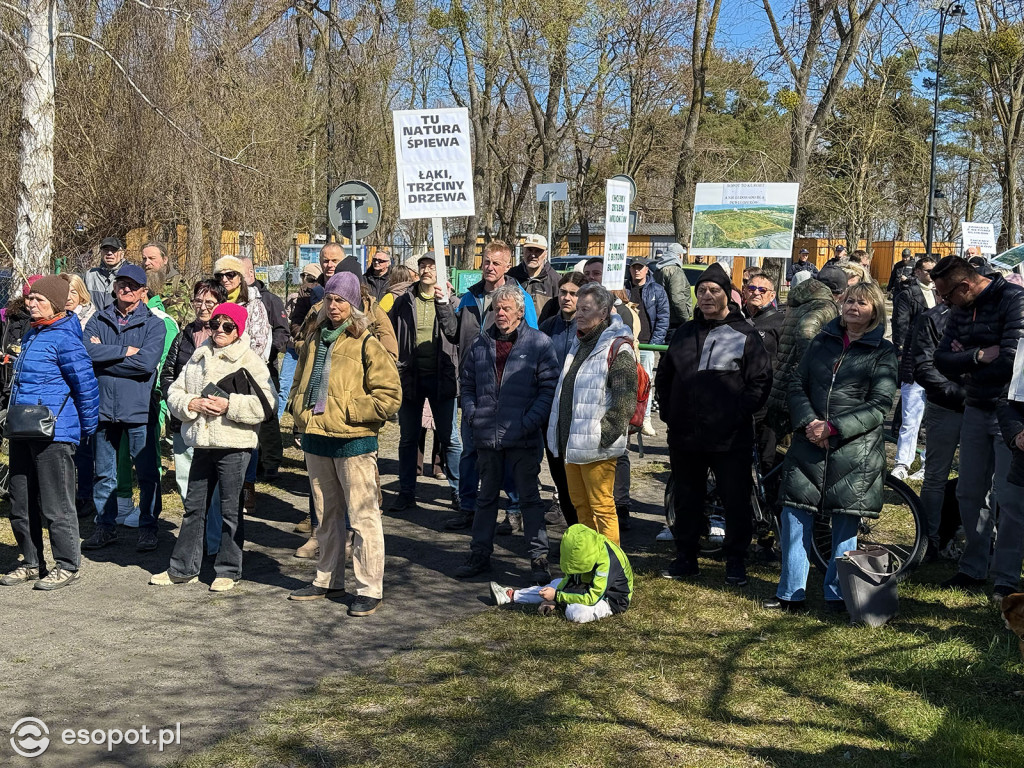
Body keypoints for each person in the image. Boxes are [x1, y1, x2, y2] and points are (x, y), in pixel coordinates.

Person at [767, 282, 897, 613]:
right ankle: (790, 592)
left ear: (874, 311)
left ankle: (837, 593)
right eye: (850, 300)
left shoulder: (882, 352)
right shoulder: (821, 342)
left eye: (862, 303)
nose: (853, 306)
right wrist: (811, 422)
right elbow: (798, 383)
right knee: (795, 516)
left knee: (844, 523)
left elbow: (879, 404)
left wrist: (834, 428)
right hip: (809, 442)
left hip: (854, 451)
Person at [286, 272, 401, 615]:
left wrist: (350, 412)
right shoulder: (313, 339)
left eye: (341, 301)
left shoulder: (367, 342)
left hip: (354, 441)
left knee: (364, 517)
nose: (334, 306)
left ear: (354, 306)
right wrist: (298, 410)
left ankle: (369, 588)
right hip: (317, 438)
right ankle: (327, 580)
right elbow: (297, 383)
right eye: (330, 300)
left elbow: (390, 396)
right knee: (326, 516)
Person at [656, 262, 771, 586]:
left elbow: (760, 381)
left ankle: (735, 560)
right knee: (687, 499)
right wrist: (670, 413)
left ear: (727, 296)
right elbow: (665, 377)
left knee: (735, 500)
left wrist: (737, 413)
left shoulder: (744, 333)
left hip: (729, 438)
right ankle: (686, 557)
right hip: (686, 437)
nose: (706, 296)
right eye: (702, 290)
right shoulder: (684, 333)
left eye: (714, 291)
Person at [153, 303, 275, 592]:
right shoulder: (199, 354)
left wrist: (229, 405)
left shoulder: (250, 360)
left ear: (239, 330)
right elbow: (175, 391)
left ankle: (228, 569)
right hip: (202, 442)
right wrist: (189, 404)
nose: (219, 330)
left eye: (227, 326)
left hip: (234, 444)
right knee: (194, 508)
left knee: (231, 509)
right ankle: (183, 568)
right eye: (215, 324)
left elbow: (268, 405)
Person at [933, 255, 1024, 600]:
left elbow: (1012, 360)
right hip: (974, 406)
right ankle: (973, 567)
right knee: (968, 492)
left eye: (946, 295)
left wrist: (967, 358)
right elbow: (941, 359)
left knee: (1010, 498)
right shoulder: (959, 309)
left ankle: (1006, 578)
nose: (944, 303)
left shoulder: (1014, 300)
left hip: (1009, 411)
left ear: (965, 286)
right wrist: (974, 356)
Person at [453, 284, 559, 582]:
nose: (500, 313)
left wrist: (529, 422)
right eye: (497, 309)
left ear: (520, 311)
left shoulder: (539, 344)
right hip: (487, 436)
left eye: (507, 308)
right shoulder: (479, 344)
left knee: (529, 499)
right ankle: (479, 554)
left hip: (523, 437)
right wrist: (473, 416)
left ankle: (538, 559)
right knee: (486, 498)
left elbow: (548, 389)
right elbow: (468, 385)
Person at [0, 276, 99, 591]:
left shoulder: (66, 338)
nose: (32, 303)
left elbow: (85, 386)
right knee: (20, 500)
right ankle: (31, 563)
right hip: (22, 428)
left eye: (39, 300)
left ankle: (68, 565)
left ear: (55, 304)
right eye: (31, 299)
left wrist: (87, 428)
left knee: (56, 504)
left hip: (55, 432)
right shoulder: (31, 334)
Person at [448, 240, 538, 531]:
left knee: (509, 453)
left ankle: (513, 510)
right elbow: (453, 334)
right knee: (470, 452)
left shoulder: (520, 297)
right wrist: (441, 305)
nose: (489, 267)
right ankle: (468, 507)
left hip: (509, 390)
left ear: (507, 265)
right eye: (486, 261)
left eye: (496, 263)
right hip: (474, 388)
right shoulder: (468, 297)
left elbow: (531, 342)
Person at [80, 263, 167, 553]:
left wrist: (105, 360)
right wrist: (124, 352)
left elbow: (146, 364)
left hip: (139, 408)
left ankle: (148, 528)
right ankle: (104, 527)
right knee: (104, 474)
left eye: (132, 285)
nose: (125, 288)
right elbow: (86, 353)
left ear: (143, 291)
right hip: (103, 408)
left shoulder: (154, 324)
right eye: (121, 283)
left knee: (146, 473)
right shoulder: (99, 319)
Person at [546, 283, 637, 545]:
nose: (579, 314)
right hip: (571, 446)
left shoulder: (617, 347)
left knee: (602, 509)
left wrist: (602, 436)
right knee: (580, 508)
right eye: (578, 309)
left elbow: (624, 401)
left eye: (586, 309)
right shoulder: (579, 342)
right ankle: (589, 566)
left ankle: (611, 572)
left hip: (595, 447)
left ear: (604, 312)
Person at [388, 252, 462, 511]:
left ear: (441, 272)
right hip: (410, 378)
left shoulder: (452, 301)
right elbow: (388, 332)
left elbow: (456, 335)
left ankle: (458, 492)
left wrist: (446, 303)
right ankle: (406, 492)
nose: (427, 270)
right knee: (408, 438)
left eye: (432, 266)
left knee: (450, 438)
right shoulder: (404, 300)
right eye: (423, 266)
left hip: (443, 378)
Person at [161, 279, 229, 556]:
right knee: (187, 485)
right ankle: (193, 541)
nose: (202, 308)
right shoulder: (184, 335)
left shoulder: (229, 337)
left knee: (214, 491)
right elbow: (167, 376)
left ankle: (214, 544)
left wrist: (212, 404)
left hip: (217, 426)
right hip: (185, 422)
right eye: (198, 302)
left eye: (209, 303)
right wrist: (185, 403)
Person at [489, 524, 633, 624]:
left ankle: (563, 603)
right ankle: (512, 595)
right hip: (584, 586)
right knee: (554, 585)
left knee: (576, 612)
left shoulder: (609, 559)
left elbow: (593, 596)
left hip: (610, 600)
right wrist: (554, 595)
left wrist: (557, 597)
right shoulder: (585, 549)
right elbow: (570, 577)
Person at [911, 303, 964, 560]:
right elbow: (923, 365)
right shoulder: (932, 318)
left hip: (982, 404)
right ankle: (929, 539)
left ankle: (977, 539)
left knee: (982, 479)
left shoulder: (995, 314)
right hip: (945, 403)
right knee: (935, 476)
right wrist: (955, 392)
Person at [766, 268, 844, 437]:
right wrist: (810, 368)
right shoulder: (825, 305)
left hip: (780, 382)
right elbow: (806, 331)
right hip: (794, 387)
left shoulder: (801, 300)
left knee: (774, 445)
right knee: (789, 448)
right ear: (839, 292)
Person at [540, 272, 587, 527]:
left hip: (580, 417)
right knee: (560, 478)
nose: (567, 298)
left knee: (580, 482)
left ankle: (588, 536)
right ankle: (574, 533)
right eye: (563, 292)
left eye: (573, 293)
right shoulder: (548, 327)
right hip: (551, 416)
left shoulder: (591, 329)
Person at [241, 256, 288, 480]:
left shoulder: (269, 300)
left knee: (267, 417)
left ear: (250, 273)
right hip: (238, 371)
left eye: (237, 274)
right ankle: (251, 460)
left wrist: (267, 353)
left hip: (264, 368)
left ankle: (271, 461)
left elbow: (282, 331)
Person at [891, 256, 937, 480]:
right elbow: (900, 325)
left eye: (934, 271)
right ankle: (903, 462)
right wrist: (900, 353)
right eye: (928, 271)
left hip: (937, 365)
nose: (931, 275)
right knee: (910, 417)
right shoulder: (908, 294)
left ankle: (928, 464)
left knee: (932, 420)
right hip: (914, 360)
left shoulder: (941, 295)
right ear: (917, 272)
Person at [61, 273, 99, 517]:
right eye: (64, 292)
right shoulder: (55, 317)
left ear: (82, 294)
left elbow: (93, 351)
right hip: (61, 389)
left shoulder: (93, 318)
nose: (67, 298)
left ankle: (85, 493)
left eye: (72, 292)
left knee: (85, 444)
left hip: (85, 386)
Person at [742, 272, 785, 469]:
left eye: (762, 290)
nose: (756, 293)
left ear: (772, 295)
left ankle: (767, 497)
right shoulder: (736, 319)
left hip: (769, 399)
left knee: (766, 457)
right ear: (744, 291)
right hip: (740, 396)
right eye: (751, 288)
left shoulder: (779, 322)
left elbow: (786, 360)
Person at [627, 256, 669, 437]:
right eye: (634, 267)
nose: (637, 271)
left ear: (646, 270)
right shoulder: (623, 289)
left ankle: (645, 419)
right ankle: (628, 418)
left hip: (646, 344)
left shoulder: (657, 290)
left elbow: (663, 318)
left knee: (645, 383)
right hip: (627, 343)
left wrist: (654, 344)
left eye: (640, 267)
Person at [509, 234, 560, 319]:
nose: (533, 255)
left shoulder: (555, 281)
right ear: (523, 251)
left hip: (543, 331)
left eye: (538, 251)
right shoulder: (511, 276)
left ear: (546, 254)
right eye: (529, 250)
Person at [653, 243, 693, 340]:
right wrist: (685, 319)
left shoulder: (658, 270)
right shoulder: (675, 271)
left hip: (662, 317)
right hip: (675, 321)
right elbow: (677, 298)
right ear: (679, 255)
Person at [85, 236, 126, 309]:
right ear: (101, 253)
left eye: (114, 250)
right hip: (94, 319)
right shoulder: (90, 275)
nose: (109, 253)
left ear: (122, 254)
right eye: (106, 249)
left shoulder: (129, 275)